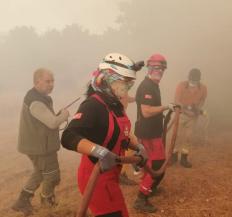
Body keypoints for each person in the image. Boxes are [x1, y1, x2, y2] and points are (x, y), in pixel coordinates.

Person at [61, 53, 147, 217]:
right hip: (95, 176)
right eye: (124, 83)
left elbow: (123, 134)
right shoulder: (93, 105)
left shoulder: (115, 104)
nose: (126, 89)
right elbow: (68, 136)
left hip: (111, 173)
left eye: (129, 84)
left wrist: (139, 146)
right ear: (108, 80)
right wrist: (100, 152)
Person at [12, 68, 70, 215]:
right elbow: (52, 123)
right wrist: (64, 115)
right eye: (47, 81)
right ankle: (47, 202)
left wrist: (56, 115)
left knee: (39, 172)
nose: (51, 84)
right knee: (52, 175)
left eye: (52, 81)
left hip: (36, 145)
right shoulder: (36, 101)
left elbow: (44, 120)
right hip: (40, 147)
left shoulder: (39, 96)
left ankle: (22, 200)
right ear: (37, 81)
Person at [133, 53, 179, 213]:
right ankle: (141, 198)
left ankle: (149, 189)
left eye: (162, 69)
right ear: (150, 68)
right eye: (156, 68)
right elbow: (146, 111)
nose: (159, 71)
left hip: (153, 133)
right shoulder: (147, 86)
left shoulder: (153, 85)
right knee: (156, 167)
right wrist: (167, 107)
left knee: (155, 167)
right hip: (147, 134)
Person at [173, 68, 207, 168]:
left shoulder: (203, 88)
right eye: (191, 81)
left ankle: (184, 157)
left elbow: (202, 101)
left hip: (193, 117)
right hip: (181, 114)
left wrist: (197, 109)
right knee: (177, 135)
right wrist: (186, 108)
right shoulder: (181, 85)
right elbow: (176, 100)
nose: (193, 83)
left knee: (189, 137)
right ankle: (174, 155)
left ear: (199, 80)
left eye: (195, 81)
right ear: (188, 78)